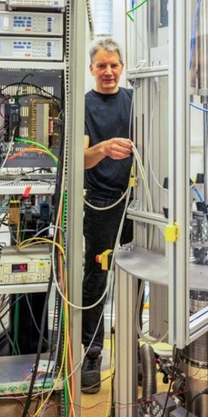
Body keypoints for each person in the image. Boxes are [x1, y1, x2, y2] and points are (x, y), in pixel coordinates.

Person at [81, 38, 134, 394]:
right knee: (96, 278)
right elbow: (80, 159)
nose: (109, 72)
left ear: (122, 66)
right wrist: (101, 149)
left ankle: (134, 350)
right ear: (91, 69)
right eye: (101, 66)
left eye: (114, 65)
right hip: (99, 203)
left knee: (139, 275)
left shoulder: (136, 100)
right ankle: (92, 352)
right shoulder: (83, 105)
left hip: (136, 203)